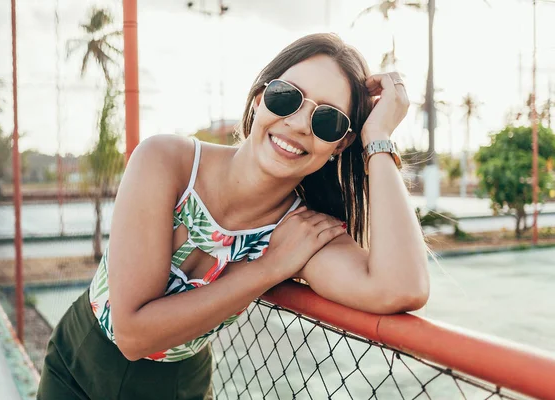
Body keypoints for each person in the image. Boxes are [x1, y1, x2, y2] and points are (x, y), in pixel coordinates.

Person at [37, 32, 429, 399]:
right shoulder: (166, 162)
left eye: (326, 120)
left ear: (341, 144)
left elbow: (401, 288)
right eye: (286, 97)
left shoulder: (301, 233)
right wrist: (268, 268)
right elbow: (133, 334)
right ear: (259, 98)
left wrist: (378, 140)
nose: (296, 124)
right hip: (75, 363)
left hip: (176, 387)